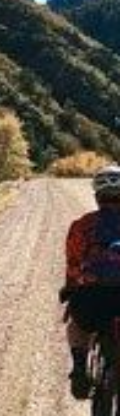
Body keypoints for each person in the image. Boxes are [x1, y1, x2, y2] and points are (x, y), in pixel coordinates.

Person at [61, 164, 120, 399]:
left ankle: (78, 367)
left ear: (97, 196)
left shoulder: (82, 226)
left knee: (77, 325)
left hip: (92, 300)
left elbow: (74, 264)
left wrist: (70, 290)